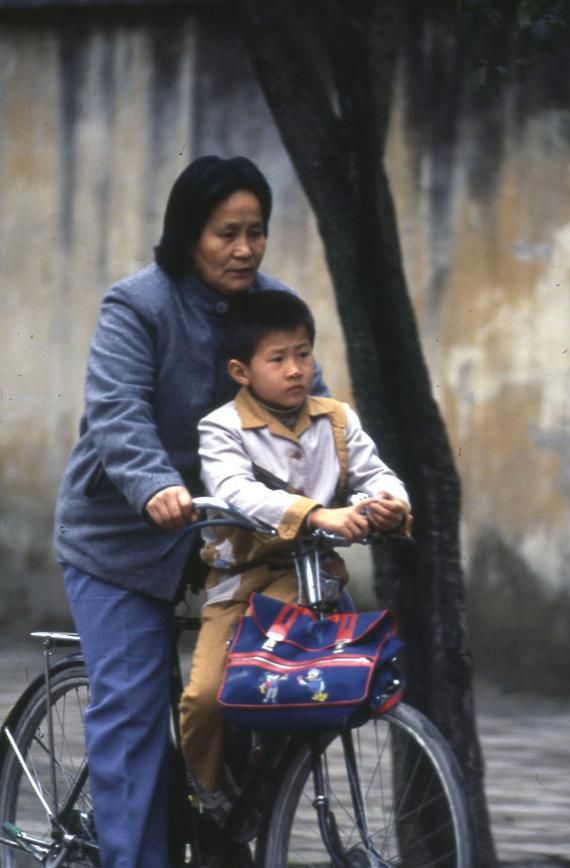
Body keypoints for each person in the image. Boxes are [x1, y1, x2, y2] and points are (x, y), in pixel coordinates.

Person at [53, 156, 327, 868]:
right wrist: (152, 486)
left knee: (265, 687)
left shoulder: (274, 310)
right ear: (188, 234)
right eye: (225, 233)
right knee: (135, 716)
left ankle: (219, 834)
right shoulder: (137, 305)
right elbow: (117, 415)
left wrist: (358, 494)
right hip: (123, 540)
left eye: (256, 232)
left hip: (228, 545)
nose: (244, 249)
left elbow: (315, 420)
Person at [179, 290, 411, 821]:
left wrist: (390, 505)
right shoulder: (222, 428)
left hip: (315, 582)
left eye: (303, 354)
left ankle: (268, 775)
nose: (294, 370)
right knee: (208, 697)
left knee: (324, 685)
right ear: (241, 370)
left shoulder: (336, 420)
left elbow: (377, 475)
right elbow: (237, 491)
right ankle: (207, 794)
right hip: (241, 585)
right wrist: (316, 513)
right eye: (277, 358)